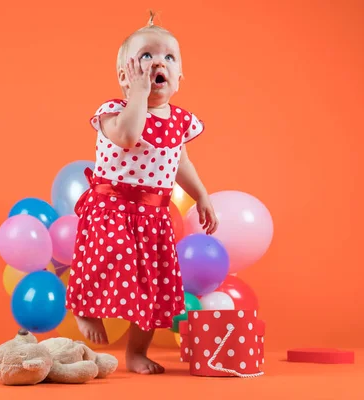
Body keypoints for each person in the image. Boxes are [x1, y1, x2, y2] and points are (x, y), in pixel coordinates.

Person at [65, 11, 219, 375]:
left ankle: (136, 353)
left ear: (179, 77)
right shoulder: (113, 111)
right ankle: (87, 307)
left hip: (153, 215)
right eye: (146, 57)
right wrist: (138, 96)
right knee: (108, 258)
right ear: (124, 76)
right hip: (112, 207)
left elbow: (181, 163)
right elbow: (128, 136)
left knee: (154, 287)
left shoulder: (181, 121)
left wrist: (202, 195)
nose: (158, 63)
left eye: (168, 57)